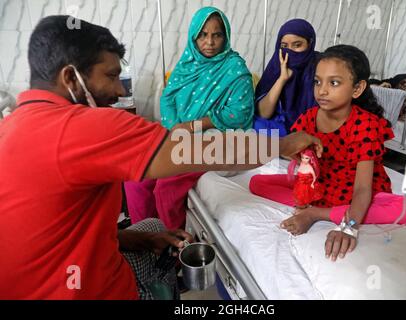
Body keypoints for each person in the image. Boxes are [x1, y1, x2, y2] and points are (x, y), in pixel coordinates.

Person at [0, 15, 322, 299]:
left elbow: (59, 226)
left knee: (154, 227)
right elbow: (206, 150)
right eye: (111, 76)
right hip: (84, 288)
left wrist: (138, 239)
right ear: (71, 79)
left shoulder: (12, 124)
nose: (121, 92)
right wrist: (281, 145)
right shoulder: (84, 127)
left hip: (39, 277)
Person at [250, 45, 406, 262]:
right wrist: (301, 161)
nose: (322, 90)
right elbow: (294, 155)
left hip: (356, 193)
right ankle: (321, 207)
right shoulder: (308, 119)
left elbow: (363, 188)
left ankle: (317, 213)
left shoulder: (365, 125)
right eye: (317, 81)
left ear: (357, 88)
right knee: (257, 183)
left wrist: (349, 227)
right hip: (321, 186)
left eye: (333, 83)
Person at [125, 7, 255, 230]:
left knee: (166, 186)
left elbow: (239, 113)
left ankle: (173, 245)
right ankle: (146, 236)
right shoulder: (186, 64)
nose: (210, 42)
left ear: (226, 37)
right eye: (203, 34)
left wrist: (193, 126)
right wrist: (176, 128)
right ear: (193, 36)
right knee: (135, 177)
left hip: (218, 139)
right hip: (180, 134)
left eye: (217, 34)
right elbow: (168, 99)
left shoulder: (235, 68)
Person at [253, 19, 318, 137]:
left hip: (310, 131)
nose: (289, 51)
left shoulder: (319, 66)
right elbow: (263, 114)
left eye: (297, 45)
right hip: (282, 128)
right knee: (255, 125)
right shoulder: (276, 65)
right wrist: (282, 79)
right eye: (284, 46)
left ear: (310, 43)